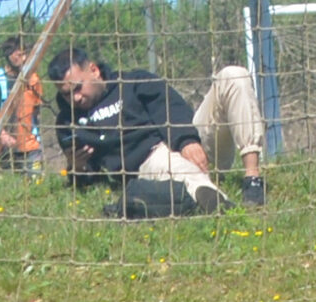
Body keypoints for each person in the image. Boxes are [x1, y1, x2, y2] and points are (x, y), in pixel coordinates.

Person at [50, 49, 269, 210]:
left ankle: (253, 178)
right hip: (152, 158)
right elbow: (93, 181)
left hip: (191, 138)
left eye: (78, 88)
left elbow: (171, 106)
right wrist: (77, 168)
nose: (75, 98)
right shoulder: (69, 123)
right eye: (66, 94)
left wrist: (187, 141)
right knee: (180, 170)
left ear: (94, 70)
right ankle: (223, 208)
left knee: (233, 75)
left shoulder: (132, 81)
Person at [0, 36, 43, 174]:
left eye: (25, 54)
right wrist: (2, 135)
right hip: (4, 147)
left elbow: (37, 111)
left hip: (31, 144)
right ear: (9, 55)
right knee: (11, 181)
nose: (23, 58)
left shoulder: (33, 79)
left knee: (36, 180)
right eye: (19, 54)